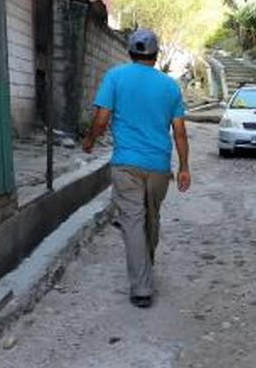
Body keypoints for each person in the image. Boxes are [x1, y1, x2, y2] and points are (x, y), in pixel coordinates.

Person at [82, 29, 191, 308]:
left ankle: (142, 287)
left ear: (130, 52)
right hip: (158, 167)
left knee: (132, 222)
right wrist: (184, 167)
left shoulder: (115, 77)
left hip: (126, 165)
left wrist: (90, 140)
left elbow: (102, 118)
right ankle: (146, 265)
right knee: (151, 219)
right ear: (155, 56)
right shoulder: (169, 86)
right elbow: (179, 131)